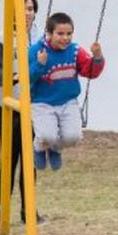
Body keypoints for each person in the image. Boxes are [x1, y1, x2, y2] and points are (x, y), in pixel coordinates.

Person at [0, 0, 42, 226]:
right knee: (9, 159)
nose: (28, 13)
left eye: (31, 8)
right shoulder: (0, 40)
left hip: (35, 108)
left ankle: (29, 210)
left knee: (30, 161)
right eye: (23, 8)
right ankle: (1, 209)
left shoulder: (41, 38)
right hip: (9, 108)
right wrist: (18, 76)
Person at [28, 12, 105, 171]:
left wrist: (97, 57)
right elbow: (27, 78)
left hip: (68, 101)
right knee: (47, 135)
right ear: (49, 34)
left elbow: (90, 72)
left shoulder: (75, 51)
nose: (65, 38)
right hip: (42, 102)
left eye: (69, 34)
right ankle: (39, 147)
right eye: (60, 34)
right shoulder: (37, 51)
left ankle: (55, 148)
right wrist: (40, 65)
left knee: (73, 137)